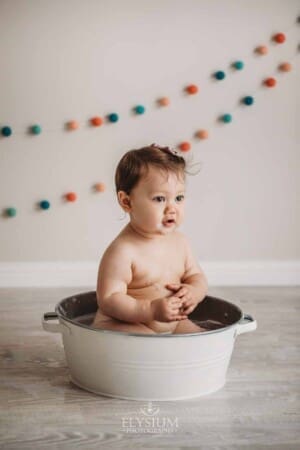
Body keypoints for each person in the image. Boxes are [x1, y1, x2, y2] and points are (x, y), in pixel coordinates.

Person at [92, 143, 208, 334]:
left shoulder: (180, 242)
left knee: (200, 337)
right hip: (126, 323)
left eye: (178, 198)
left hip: (172, 321)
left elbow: (196, 276)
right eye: (160, 199)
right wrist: (150, 310)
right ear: (127, 201)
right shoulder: (123, 251)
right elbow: (109, 299)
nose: (172, 208)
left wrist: (194, 292)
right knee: (149, 345)